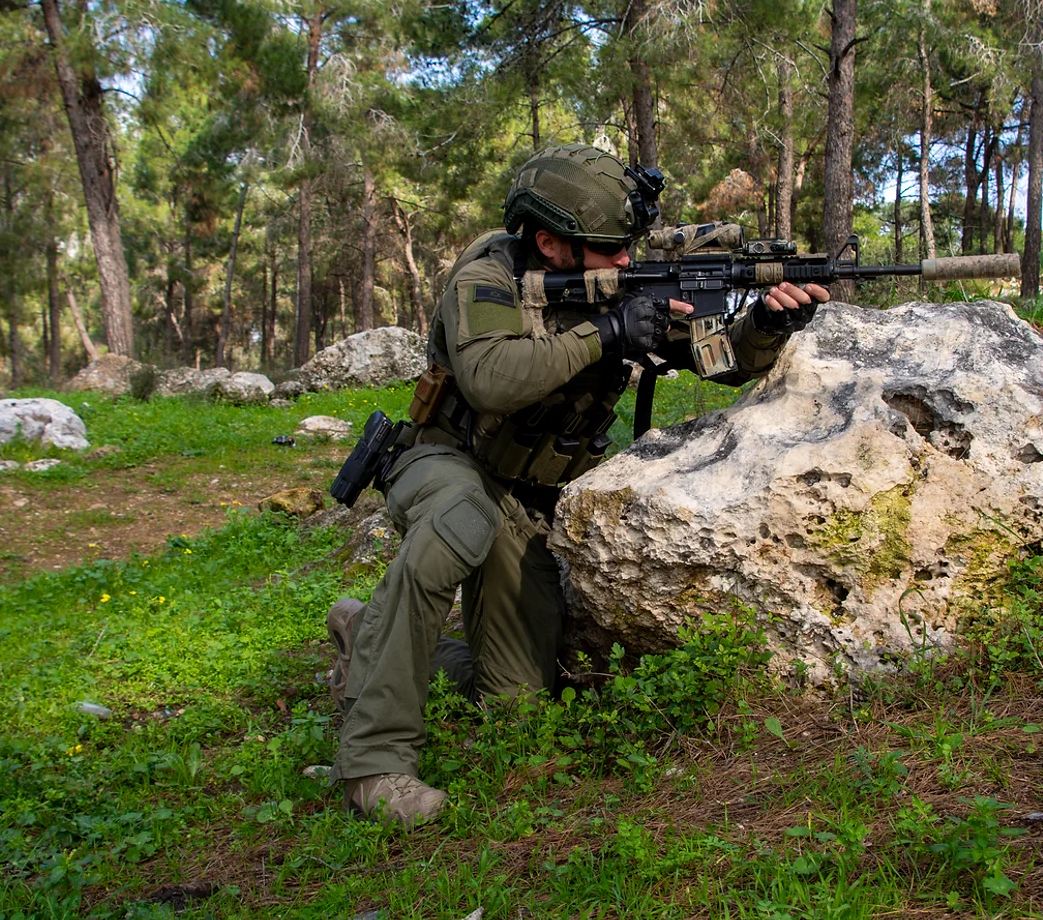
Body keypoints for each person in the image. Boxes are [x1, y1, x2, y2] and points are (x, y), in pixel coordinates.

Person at [326, 145, 829, 825]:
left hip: (527, 499)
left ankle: (369, 633)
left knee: (517, 705)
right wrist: (607, 333)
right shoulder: (488, 276)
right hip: (445, 460)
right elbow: (491, 379)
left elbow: (720, 359)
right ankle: (373, 762)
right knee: (458, 518)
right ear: (550, 244)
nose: (625, 261)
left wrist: (764, 327)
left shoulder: (621, 281)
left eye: (628, 248)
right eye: (610, 250)